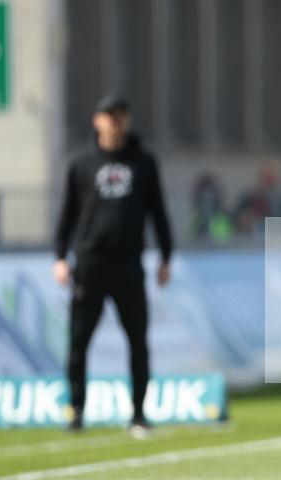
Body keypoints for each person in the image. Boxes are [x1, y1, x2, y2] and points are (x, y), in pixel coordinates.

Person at [53, 95, 173, 438]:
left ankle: (138, 413)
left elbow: (159, 211)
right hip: (90, 264)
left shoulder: (144, 162)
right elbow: (67, 215)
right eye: (109, 115)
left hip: (129, 264)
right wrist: (60, 257)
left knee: (138, 339)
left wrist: (166, 256)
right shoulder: (82, 163)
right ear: (97, 120)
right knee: (78, 341)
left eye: (121, 115)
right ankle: (75, 411)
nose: (115, 121)